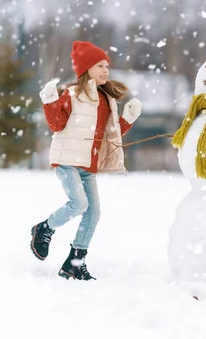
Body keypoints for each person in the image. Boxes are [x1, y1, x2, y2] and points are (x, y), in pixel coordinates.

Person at [30, 41, 142, 280]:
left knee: (93, 212)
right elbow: (56, 124)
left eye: (107, 66)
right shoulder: (71, 94)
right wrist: (50, 101)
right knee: (79, 204)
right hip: (67, 160)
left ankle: (74, 262)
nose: (105, 70)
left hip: (87, 166)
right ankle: (44, 229)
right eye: (100, 65)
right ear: (86, 68)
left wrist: (128, 118)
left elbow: (109, 136)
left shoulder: (106, 100)